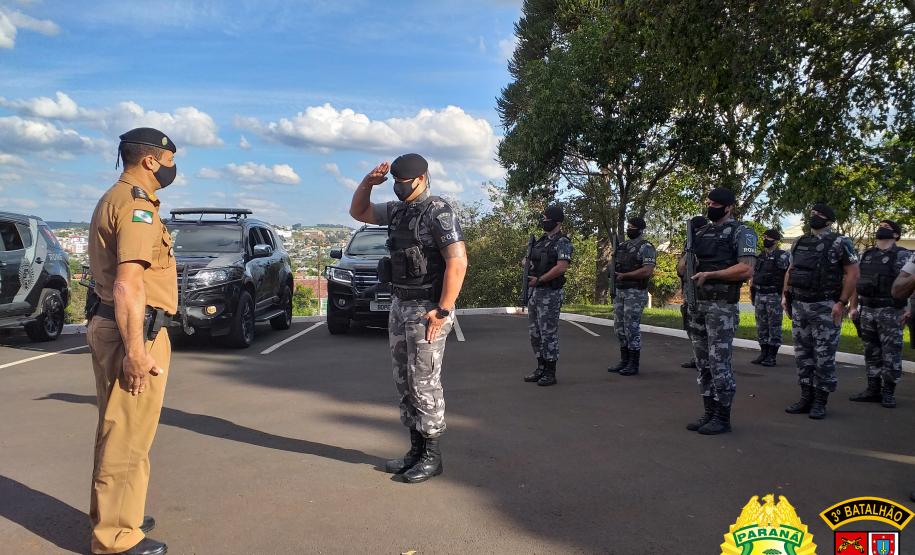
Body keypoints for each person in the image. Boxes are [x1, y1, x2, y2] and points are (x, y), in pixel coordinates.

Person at [349, 154, 468, 484]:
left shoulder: (438, 211)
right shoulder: (397, 210)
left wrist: (443, 309)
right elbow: (359, 212)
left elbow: (457, 262)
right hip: (401, 305)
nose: (400, 189)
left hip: (427, 307)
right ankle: (415, 450)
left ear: (423, 179)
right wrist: (367, 184)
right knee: (404, 381)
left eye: (406, 184)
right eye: (396, 184)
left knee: (424, 381)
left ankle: (432, 456)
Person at [86, 128, 178, 555]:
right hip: (134, 331)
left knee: (122, 429)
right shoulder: (137, 206)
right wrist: (137, 352)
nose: (174, 169)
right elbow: (128, 285)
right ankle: (117, 538)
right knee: (127, 434)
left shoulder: (116, 197)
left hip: (117, 326)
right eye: (171, 160)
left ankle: (122, 514)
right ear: (151, 161)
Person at [678, 188, 757, 435]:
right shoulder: (699, 233)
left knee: (719, 363)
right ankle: (709, 412)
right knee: (702, 363)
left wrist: (712, 274)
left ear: (728, 207)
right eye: (708, 201)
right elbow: (681, 268)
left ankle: (723, 417)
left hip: (721, 307)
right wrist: (688, 259)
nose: (709, 205)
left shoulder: (742, 232)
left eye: (714, 203)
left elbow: (746, 269)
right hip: (697, 304)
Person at [783, 203, 860, 420]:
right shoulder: (799, 242)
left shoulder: (840, 242)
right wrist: (785, 296)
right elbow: (791, 271)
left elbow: (853, 273)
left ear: (828, 219)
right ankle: (806, 396)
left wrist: (842, 302)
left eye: (818, 214)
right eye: (812, 213)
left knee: (824, 356)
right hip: (800, 305)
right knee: (802, 354)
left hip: (826, 306)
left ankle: (820, 401)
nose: (813, 216)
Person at [848, 220, 910, 408]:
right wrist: (853, 307)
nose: (881, 228)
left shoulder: (903, 255)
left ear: (896, 235)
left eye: (887, 227)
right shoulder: (867, 255)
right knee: (871, 351)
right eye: (880, 225)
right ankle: (873, 389)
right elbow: (858, 283)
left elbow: (911, 284)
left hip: (891, 310)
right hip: (867, 310)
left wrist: (909, 309)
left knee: (891, 352)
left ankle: (888, 392)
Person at [523, 205, 573, 386]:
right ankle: (540, 367)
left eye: (546, 219)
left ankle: (550, 372)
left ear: (557, 222)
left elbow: (561, 267)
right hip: (535, 293)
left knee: (548, 333)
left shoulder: (563, 242)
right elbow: (527, 260)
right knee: (535, 333)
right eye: (543, 218)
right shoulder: (540, 241)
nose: (544, 221)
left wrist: (540, 280)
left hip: (550, 293)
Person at [607, 217, 656, 376]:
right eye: (628, 226)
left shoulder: (646, 247)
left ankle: (633, 363)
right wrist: (612, 258)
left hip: (635, 292)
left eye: (632, 227)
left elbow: (647, 270)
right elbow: (611, 268)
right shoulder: (622, 247)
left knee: (631, 327)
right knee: (619, 327)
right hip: (620, 291)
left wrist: (626, 275)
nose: (629, 229)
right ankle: (624, 360)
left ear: (640, 230)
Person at [750, 229, 790, 367]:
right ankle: (763, 352)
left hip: (774, 295)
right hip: (760, 294)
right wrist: (752, 292)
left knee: (774, 325)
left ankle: (772, 355)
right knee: (761, 325)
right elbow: (753, 276)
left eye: (768, 237)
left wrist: (785, 294)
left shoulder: (783, 256)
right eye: (764, 236)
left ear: (776, 240)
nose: (765, 239)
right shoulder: (759, 256)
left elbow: (787, 275)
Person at [680, 215, 708, 369]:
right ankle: (698, 356)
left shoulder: (710, 241)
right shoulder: (690, 243)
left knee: (707, 329)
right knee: (692, 327)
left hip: (706, 290)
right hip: (690, 290)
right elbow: (681, 269)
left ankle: (708, 358)